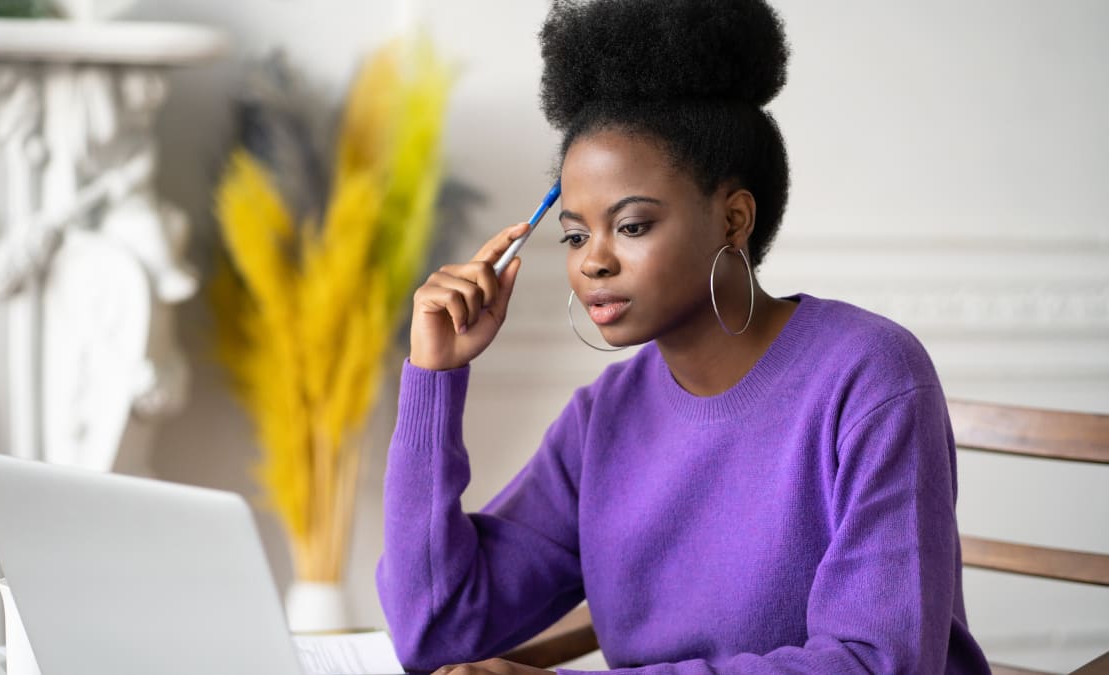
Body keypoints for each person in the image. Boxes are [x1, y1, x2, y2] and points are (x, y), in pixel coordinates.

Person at [376, 0, 992, 673]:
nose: (593, 261)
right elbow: (433, 627)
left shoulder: (871, 377)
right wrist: (433, 376)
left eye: (631, 226)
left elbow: (876, 663)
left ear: (733, 220)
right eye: (576, 235)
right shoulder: (604, 419)